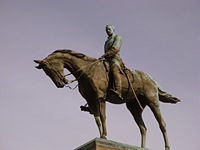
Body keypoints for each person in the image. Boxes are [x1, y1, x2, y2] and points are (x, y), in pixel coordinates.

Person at [99, 24, 123, 100]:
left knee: (114, 69)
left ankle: (118, 90)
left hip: (115, 59)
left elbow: (115, 49)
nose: (108, 31)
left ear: (113, 29)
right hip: (107, 60)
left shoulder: (117, 37)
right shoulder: (106, 42)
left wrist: (104, 55)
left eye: (109, 29)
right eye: (106, 30)